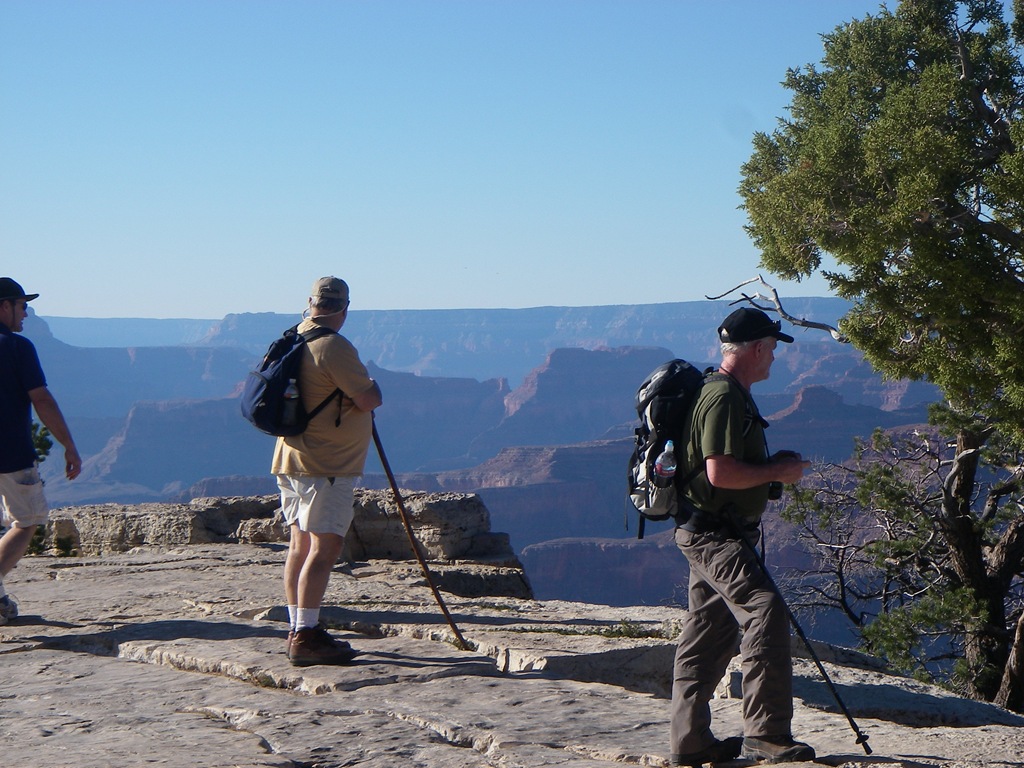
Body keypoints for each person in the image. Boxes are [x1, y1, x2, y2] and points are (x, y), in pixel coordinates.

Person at [669, 306, 815, 766]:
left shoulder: (728, 391)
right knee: (763, 609)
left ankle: (689, 742)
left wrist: (770, 472)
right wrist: (779, 471)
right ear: (755, 349)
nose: (774, 356)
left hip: (710, 530)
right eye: (771, 347)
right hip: (716, 535)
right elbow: (720, 473)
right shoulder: (724, 397)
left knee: (708, 632)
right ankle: (767, 734)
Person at [272, 277, 383, 666]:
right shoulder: (333, 346)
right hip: (326, 465)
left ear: (311, 303)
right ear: (345, 308)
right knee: (326, 546)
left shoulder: (296, 335)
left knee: (299, 546)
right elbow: (369, 398)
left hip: (292, 458)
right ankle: (305, 635)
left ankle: (298, 626)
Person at [0, 278, 82, 624]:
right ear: (4, 306)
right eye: (22, 306)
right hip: (10, 454)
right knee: (28, 520)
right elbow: (42, 400)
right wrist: (69, 446)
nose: (26, 314)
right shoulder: (17, 347)